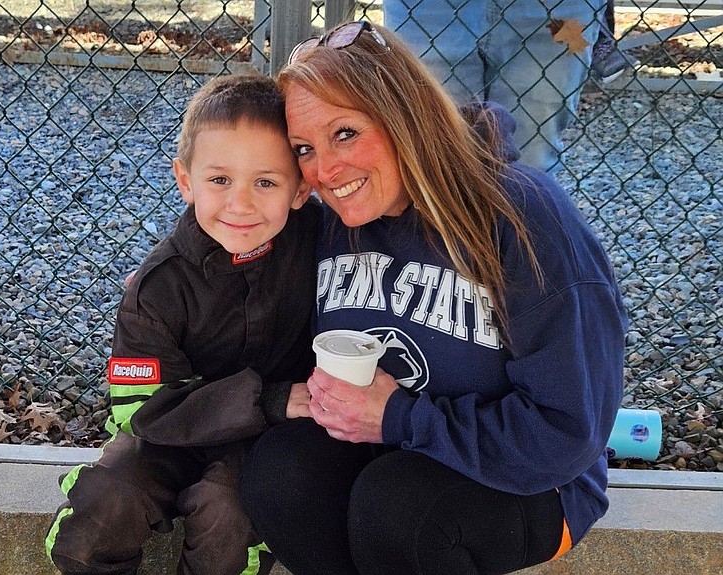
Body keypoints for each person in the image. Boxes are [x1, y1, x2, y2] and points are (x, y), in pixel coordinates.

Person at [239, 21, 628, 575]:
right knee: (280, 474)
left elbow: (566, 433)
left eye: (345, 133)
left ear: (405, 118)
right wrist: (176, 278)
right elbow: (231, 214)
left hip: (533, 481)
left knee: (400, 508)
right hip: (388, 449)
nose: (324, 170)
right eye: (304, 148)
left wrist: (402, 417)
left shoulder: (521, 218)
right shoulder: (331, 222)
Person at [45, 74, 318, 575]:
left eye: (266, 182)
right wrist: (268, 398)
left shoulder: (317, 243)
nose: (241, 203)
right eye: (220, 180)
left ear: (300, 189)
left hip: (257, 445)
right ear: (186, 180)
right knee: (106, 504)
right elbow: (142, 408)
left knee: (227, 512)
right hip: (162, 437)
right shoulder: (157, 287)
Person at [382, 0, 605, 172]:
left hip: (555, 10)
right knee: (431, 162)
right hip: (427, 8)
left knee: (528, 169)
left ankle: (522, 230)